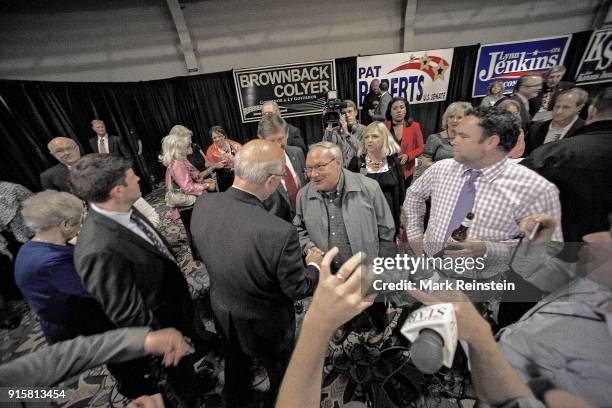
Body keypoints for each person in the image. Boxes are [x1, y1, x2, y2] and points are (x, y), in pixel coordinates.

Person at [71, 153, 212, 407]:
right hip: (162, 331)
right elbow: (127, 314)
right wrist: (165, 340)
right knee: (179, 378)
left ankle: (193, 382)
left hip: (175, 307)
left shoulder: (122, 208)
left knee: (187, 368)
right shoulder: (97, 249)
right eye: (131, 176)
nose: (138, 178)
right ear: (117, 191)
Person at [190, 140, 320, 408]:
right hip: (267, 327)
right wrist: (315, 265)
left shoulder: (203, 204)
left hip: (224, 312)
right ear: (272, 181)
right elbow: (298, 288)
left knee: (237, 365)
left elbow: (205, 253)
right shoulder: (279, 233)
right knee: (281, 375)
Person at [402, 107, 562, 316]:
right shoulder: (441, 169)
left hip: (477, 286)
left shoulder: (535, 188)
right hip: (429, 270)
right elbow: (414, 195)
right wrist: (415, 238)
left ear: (490, 142)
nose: (453, 141)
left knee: (461, 338)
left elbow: (547, 248)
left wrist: (489, 249)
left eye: (463, 136)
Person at [14, 191, 113, 344]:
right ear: (65, 224)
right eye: (79, 222)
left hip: (61, 314)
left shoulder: (29, 247)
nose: (81, 225)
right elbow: (96, 289)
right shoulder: (51, 263)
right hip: (80, 323)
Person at [522, 86, 612, 243]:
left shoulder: (555, 153)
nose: (559, 111)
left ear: (588, 110)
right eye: (557, 106)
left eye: (566, 107)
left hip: (561, 242)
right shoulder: (538, 129)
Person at [295, 142, 395, 271]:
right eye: (309, 168)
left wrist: (380, 267)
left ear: (337, 163)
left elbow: (386, 231)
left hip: (365, 273)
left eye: (320, 167)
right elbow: (298, 230)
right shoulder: (303, 196)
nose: (313, 174)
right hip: (327, 278)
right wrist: (309, 247)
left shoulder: (369, 188)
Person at [40, 136, 160, 226]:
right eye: (60, 150)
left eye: (69, 148)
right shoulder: (48, 176)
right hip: (88, 223)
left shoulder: (99, 161)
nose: (66, 153)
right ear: (52, 154)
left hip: (122, 209)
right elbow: (56, 207)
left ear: (77, 147)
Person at [161, 133, 215, 261]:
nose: (187, 149)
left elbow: (193, 175)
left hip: (186, 202)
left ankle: (199, 254)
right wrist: (206, 186)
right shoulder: (177, 164)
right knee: (194, 230)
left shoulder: (178, 161)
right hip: (186, 204)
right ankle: (200, 255)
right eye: (184, 147)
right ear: (177, 149)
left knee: (193, 229)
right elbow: (188, 187)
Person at [348, 121, 405, 239]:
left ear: (384, 138)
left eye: (375, 136)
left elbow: (401, 192)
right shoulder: (356, 162)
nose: (369, 140)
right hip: (365, 220)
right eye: (366, 137)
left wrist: (402, 217)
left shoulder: (393, 162)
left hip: (390, 218)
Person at [258, 114, 306, 221]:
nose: (277, 146)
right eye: (271, 141)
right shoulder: (257, 167)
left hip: (306, 220)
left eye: (280, 139)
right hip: (279, 225)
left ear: (287, 134)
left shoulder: (297, 152)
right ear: (262, 140)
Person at [525, 88, 586, 156]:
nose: (558, 112)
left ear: (579, 108)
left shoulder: (585, 131)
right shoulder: (536, 128)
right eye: (557, 106)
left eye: (566, 107)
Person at [385, 96, 424, 186]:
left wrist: (408, 155)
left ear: (406, 110)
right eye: (395, 108)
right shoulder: (383, 126)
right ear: (390, 112)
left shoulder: (414, 126)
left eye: (402, 107)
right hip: (388, 170)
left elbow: (421, 148)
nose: (399, 111)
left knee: (403, 196)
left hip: (406, 171)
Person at [421, 101, 472, 168]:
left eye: (459, 117)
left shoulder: (470, 139)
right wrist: (447, 167)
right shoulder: (434, 138)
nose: (454, 120)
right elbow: (425, 163)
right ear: (446, 119)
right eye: (451, 117)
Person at [322, 99, 366, 167]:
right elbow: (326, 149)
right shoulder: (335, 131)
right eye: (343, 113)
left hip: (357, 172)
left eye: (350, 111)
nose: (347, 115)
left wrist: (346, 133)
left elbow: (362, 150)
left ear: (356, 113)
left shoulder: (365, 130)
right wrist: (329, 124)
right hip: (340, 170)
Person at [205, 125, 242, 192]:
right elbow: (207, 164)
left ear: (224, 135)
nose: (217, 139)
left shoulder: (234, 144)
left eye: (219, 136)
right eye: (214, 138)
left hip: (238, 173)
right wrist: (216, 165)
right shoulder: (211, 149)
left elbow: (244, 156)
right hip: (224, 176)